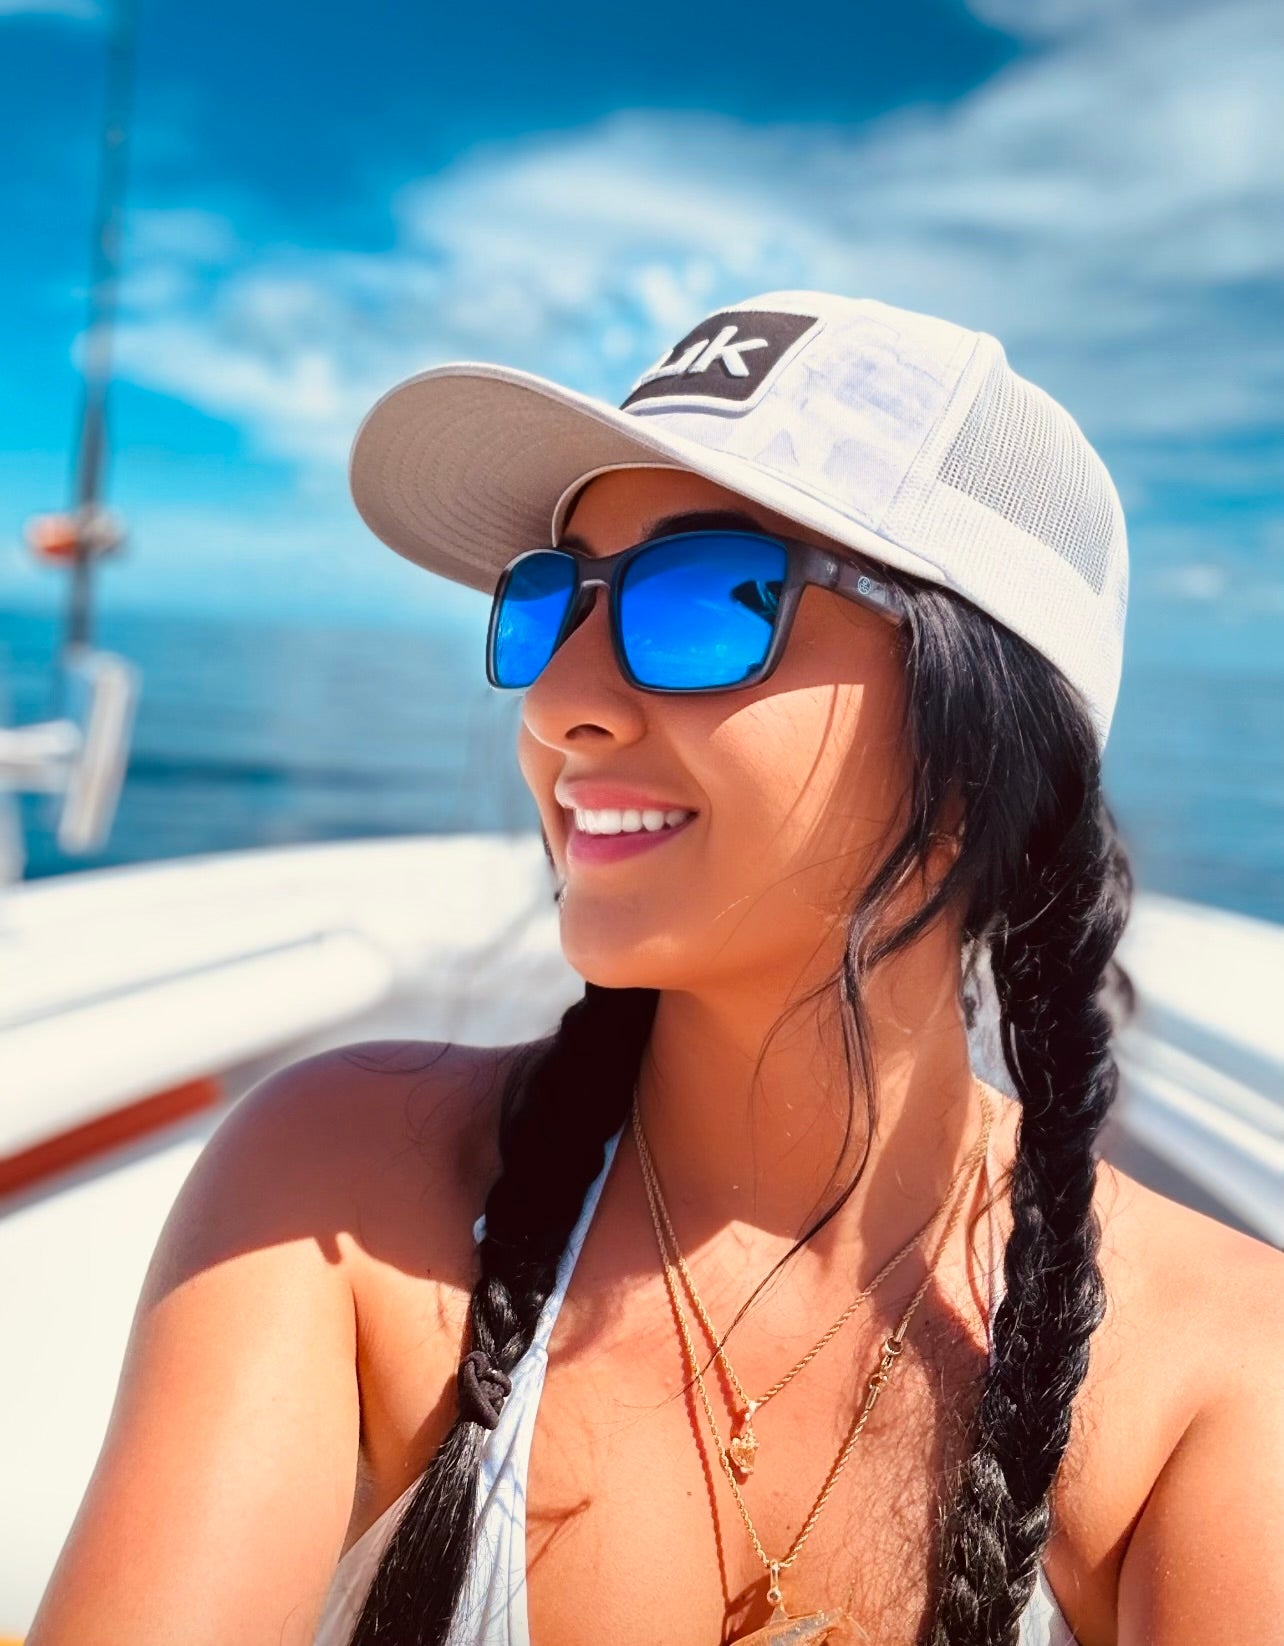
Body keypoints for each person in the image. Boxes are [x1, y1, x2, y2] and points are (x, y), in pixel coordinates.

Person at [28, 294, 1283, 1646]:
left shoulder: (1216, 1382)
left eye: (705, 600)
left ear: (986, 751)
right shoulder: (337, 1200)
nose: (560, 699)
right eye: (551, 596)